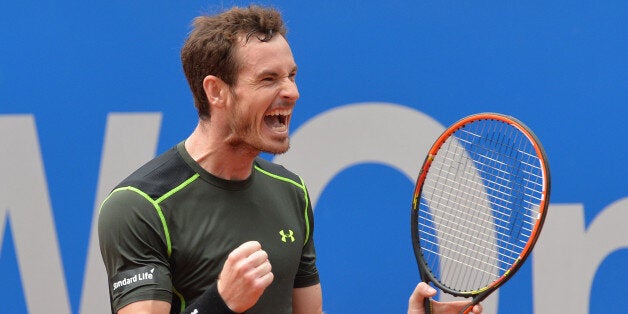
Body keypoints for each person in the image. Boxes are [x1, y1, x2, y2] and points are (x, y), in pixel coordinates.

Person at [98, 5, 483, 314]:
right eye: (269, 79)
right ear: (216, 91)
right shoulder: (141, 206)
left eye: (292, 76)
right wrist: (221, 303)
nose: (292, 92)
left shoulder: (290, 191)